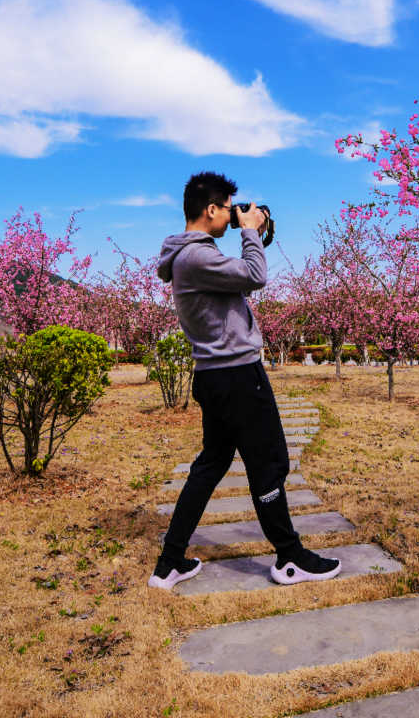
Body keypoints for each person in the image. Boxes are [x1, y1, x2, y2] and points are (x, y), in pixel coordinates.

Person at [147, 171, 341, 591]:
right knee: (268, 463)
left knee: (210, 465)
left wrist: (249, 228)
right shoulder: (197, 258)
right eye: (227, 208)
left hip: (215, 375)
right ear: (211, 210)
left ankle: (170, 562)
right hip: (236, 375)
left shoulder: (190, 255)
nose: (233, 215)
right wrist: (251, 231)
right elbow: (255, 275)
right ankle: (291, 558)